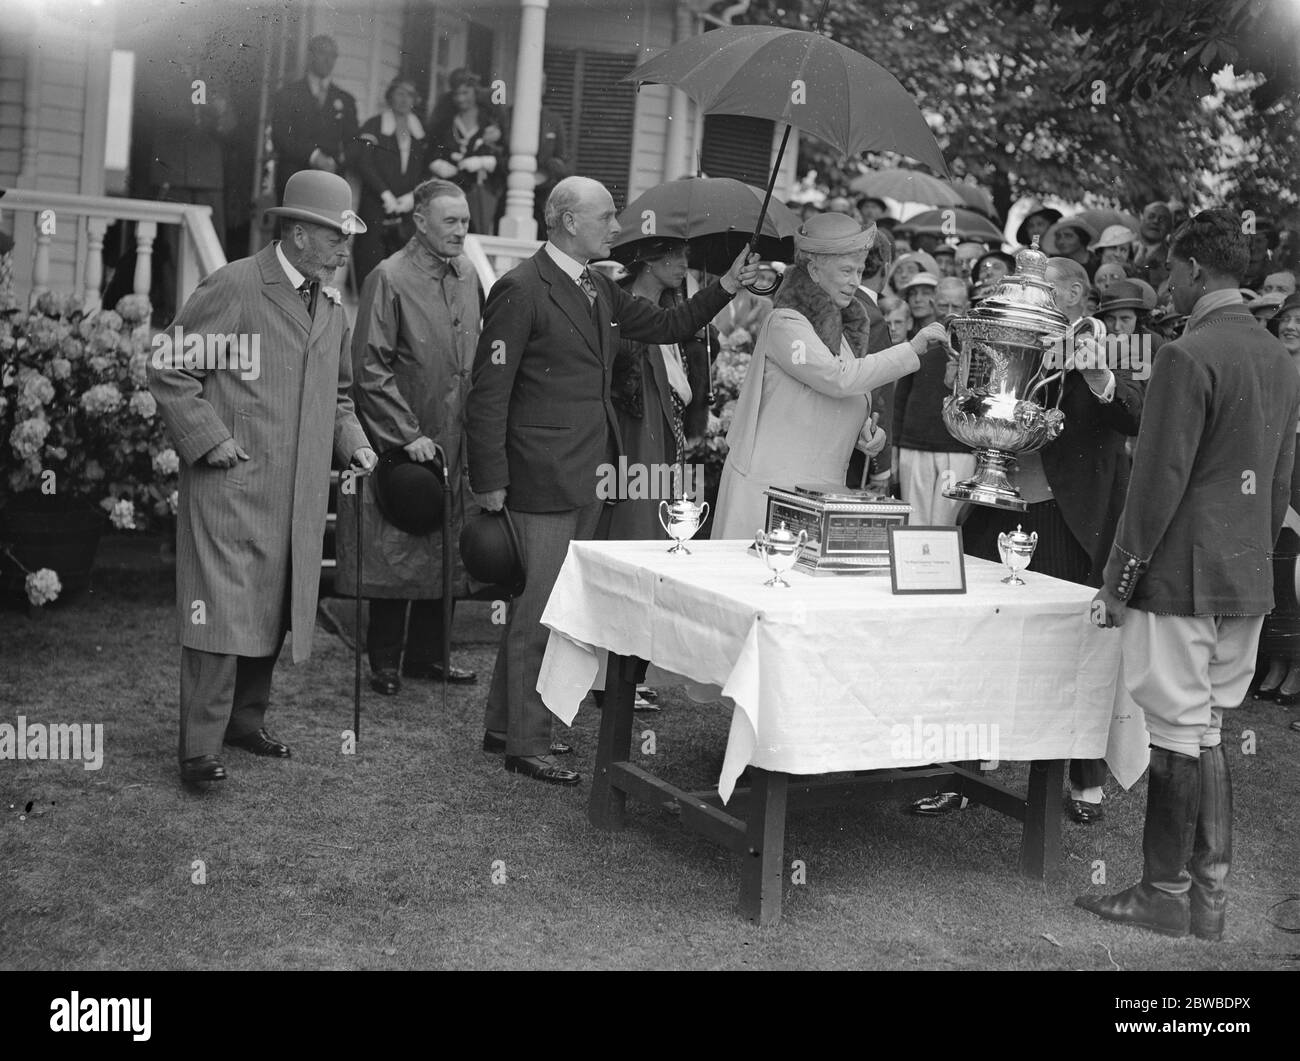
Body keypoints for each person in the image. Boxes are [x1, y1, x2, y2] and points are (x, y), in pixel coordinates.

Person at [465, 176, 758, 786]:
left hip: (591, 472)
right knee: (538, 612)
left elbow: (667, 325)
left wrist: (727, 286)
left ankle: (506, 724)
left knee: (546, 608)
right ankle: (527, 740)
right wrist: (489, 480)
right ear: (568, 221)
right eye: (605, 216)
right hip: (540, 478)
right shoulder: (520, 289)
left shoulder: (597, 284)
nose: (616, 226)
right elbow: (488, 393)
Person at [1077, 210, 1300, 941]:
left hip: (1181, 572)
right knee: (1206, 724)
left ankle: (1166, 891)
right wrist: (1256, 566)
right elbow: (1275, 483)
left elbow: (1156, 481)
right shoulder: (1280, 358)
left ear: (1196, 271)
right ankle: (1206, 898)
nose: (1167, 284)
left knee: (1177, 726)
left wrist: (1118, 578)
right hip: (1245, 575)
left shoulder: (1185, 353)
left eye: (1172, 270)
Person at [148, 170, 376, 785]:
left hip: (295, 493)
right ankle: (199, 748)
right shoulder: (237, 285)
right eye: (335, 237)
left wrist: (353, 445)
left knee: (272, 607)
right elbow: (169, 367)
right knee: (219, 612)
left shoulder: (331, 307)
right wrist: (208, 438)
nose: (343, 249)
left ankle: (244, 723)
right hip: (230, 485)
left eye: (347, 237)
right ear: (299, 234)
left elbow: (341, 397)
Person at [911, 253, 1144, 821]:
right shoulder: (1011, 337)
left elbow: (1138, 417)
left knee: (1075, 649)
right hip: (996, 505)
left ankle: (1085, 783)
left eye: (1039, 291)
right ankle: (958, 771)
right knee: (971, 637)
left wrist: (1099, 376)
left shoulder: (1105, 346)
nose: (1024, 301)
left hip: (1066, 520)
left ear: (1073, 297)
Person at [334, 179, 480, 697]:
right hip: (407, 438)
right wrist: (405, 434)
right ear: (420, 221)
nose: (461, 231)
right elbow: (368, 366)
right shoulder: (388, 278)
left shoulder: (467, 274)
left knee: (447, 544)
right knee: (398, 545)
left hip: (457, 435)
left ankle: (428, 657)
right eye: (451, 222)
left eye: (465, 221)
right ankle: (385, 662)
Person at [712, 212, 944, 539]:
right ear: (814, 270)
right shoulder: (785, 322)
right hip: (769, 489)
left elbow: (837, 392)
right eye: (847, 270)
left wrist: (864, 432)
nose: (855, 280)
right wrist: (911, 348)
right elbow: (836, 377)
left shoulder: (840, 331)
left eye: (860, 271)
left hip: (814, 492)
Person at [607, 237, 697, 539]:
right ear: (648, 260)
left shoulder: (678, 312)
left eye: (686, 255)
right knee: (636, 521)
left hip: (675, 435)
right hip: (635, 435)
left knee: (674, 524)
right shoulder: (621, 306)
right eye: (674, 254)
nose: (685, 264)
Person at [892, 277, 973, 525]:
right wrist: (894, 449)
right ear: (932, 304)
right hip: (913, 447)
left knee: (944, 526)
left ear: (967, 305)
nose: (949, 313)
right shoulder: (919, 343)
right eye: (943, 305)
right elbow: (900, 400)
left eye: (956, 307)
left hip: (957, 450)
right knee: (913, 524)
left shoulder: (977, 348)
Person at [1253, 292, 1300, 705]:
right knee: (1277, 562)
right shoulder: (1270, 365)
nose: (1291, 325)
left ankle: (1296, 662)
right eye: (1287, 317)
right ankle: (1277, 659)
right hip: (1272, 463)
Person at [352, 78, 429, 285]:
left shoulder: (420, 132)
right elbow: (363, 162)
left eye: (410, 94)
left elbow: (426, 168)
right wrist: (385, 194)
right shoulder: (375, 124)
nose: (405, 99)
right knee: (371, 261)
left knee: (404, 265)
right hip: (376, 204)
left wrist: (413, 196)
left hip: (406, 208)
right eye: (400, 93)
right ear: (390, 96)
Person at [271, 35, 360, 204]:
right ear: (310, 55)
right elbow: (280, 137)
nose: (328, 60)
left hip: (330, 180)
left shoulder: (345, 100)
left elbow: (354, 142)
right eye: (322, 53)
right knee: (292, 228)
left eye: (333, 55)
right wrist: (313, 156)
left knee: (324, 229)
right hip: (295, 177)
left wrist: (337, 161)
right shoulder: (287, 94)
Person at [428, 69, 506, 235]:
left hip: (482, 193)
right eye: (457, 94)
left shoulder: (490, 121)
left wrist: (484, 162)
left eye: (466, 92)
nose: (461, 98)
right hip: (452, 190)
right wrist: (439, 165)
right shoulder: (447, 121)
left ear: (475, 91)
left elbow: (505, 157)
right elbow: (432, 152)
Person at [1132, 202, 1173, 290]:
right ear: (1141, 218)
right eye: (1151, 217)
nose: (1156, 221)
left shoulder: (1172, 260)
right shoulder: (1125, 249)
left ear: (1169, 227)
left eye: (1162, 219)